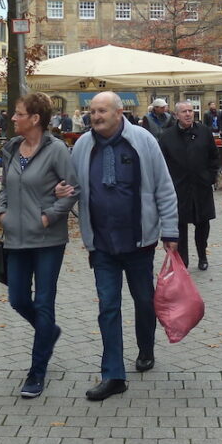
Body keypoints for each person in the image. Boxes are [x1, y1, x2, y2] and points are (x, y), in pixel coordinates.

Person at [70, 91, 179, 401]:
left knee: (144, 301)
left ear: (120, 113)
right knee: (108, 307)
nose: (96, 116)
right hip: (102, 244)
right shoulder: (82, 146)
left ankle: (146, 347)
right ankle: (113, 374)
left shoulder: (143, 141)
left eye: (102, 110)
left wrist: (170, 231)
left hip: (138, 241)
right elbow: (72, 187)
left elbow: (164, 188)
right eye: (92, 111)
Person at [0, 92, 79, 399]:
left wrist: (48, 217)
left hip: (47, 241)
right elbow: (5, 186)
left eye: (18, 114)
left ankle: (37, 371)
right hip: (15, 238)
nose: (13, 118)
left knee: (44, 303)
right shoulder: (12, 149)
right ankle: (49, 332)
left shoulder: (56, 150)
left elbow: (72, 190)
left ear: (35, 119)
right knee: (18, 298)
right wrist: (1, 212)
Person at [158, 100, 218, 271]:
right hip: (178, 188)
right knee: (180, 227)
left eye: (190, 111)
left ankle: (202, 256)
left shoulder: (204, 132)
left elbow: (214, 156)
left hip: (201, 187)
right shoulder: (167, 136)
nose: (188, 114)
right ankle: (183, 260)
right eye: (184, 111)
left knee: (203, 225)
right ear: (176, 115)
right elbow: (161, 163)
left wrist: (210, 177)